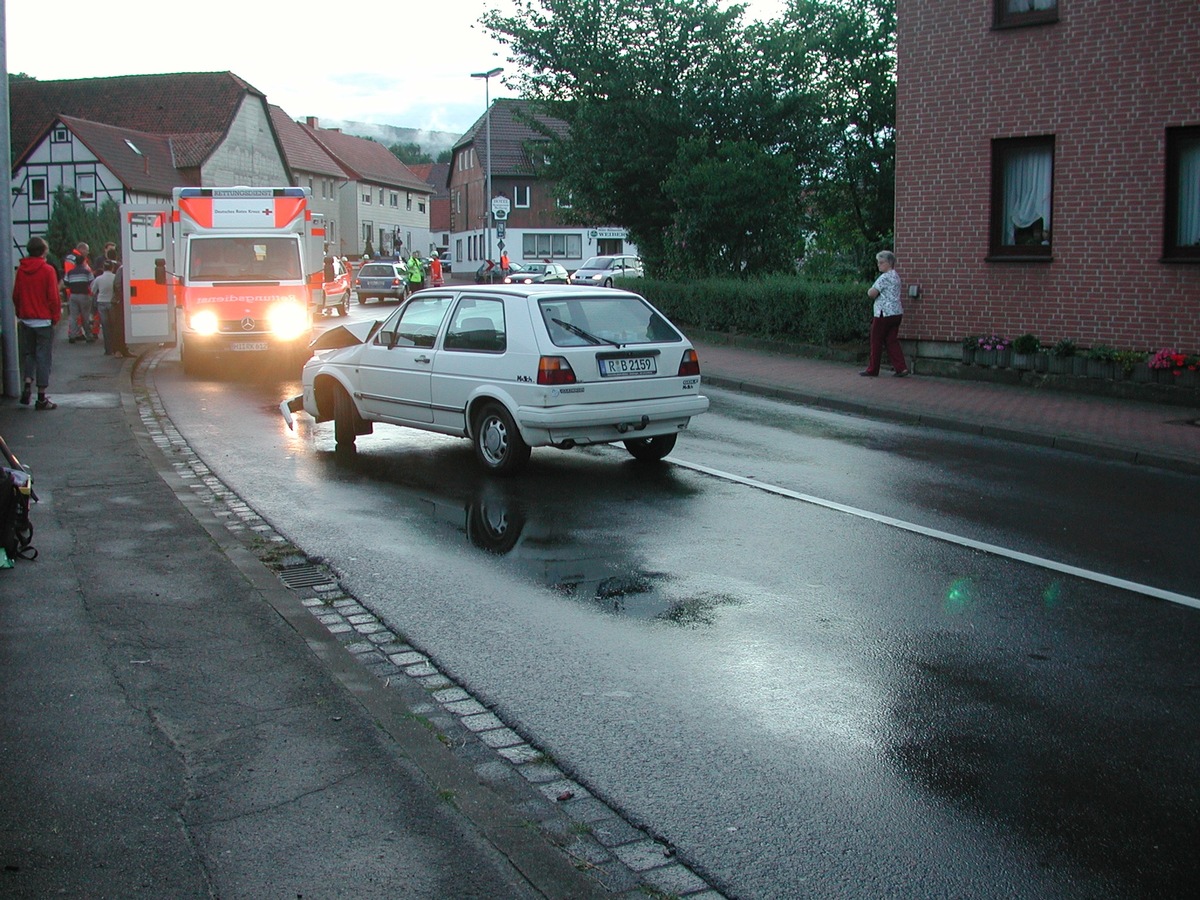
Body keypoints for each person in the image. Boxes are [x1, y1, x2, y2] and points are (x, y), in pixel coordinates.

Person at [12, 236, 63, 410]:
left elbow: (16, 295)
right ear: (43, 251)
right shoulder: (48, 270)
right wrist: (55, 317)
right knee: (43, 357)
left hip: (26, 319)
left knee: (29, 354)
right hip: (43, 320)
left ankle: (27, 383)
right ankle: (41, 397)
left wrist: (20, 313)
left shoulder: (21, 270)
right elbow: (53, 298)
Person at [860, 250, 909, 378]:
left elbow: (872, 293)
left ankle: (873, 369)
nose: (879, 265)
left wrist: (869, 290)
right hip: (896, 313)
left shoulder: (884, 277)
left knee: (876, 340)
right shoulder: (896, 276)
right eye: (878, 262)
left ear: (889, 263)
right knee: (891, 340)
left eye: (881, 262)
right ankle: (901, 367)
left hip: (884, 313)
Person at [61, 242, 95, 344]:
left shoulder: (73, 260)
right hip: (83, 294)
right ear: (82, 249)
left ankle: (74, 334)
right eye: (87, 250)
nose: (88, 253)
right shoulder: (74, 259)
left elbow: (66, 280)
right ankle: (87, 335)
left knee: (73, 316)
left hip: (73, 293)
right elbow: (91, 282)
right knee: (85, 316)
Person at [91, 260, 120, 355]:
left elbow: (93, 291)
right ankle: (116, 348)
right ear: (112, 268)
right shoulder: (115, 277)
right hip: (112, 303)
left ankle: (108, 349)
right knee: (114, 326)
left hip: (101, 303)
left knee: (105, 327)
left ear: (103, 268)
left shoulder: (98, 279)